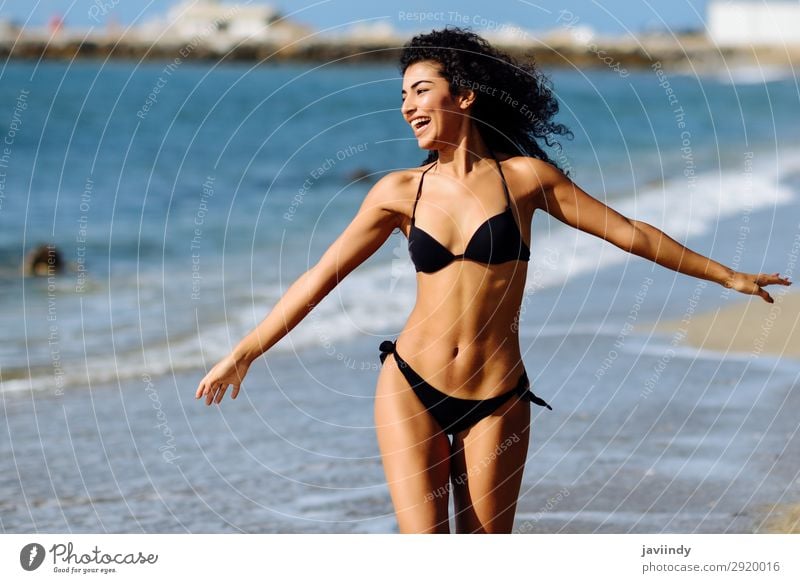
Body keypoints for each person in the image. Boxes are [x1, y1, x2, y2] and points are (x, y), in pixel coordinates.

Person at [195, 27, 792, 533]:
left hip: (498, 395)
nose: (407, 105)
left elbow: (629, 232)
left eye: (421, 90)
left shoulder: (526, 180)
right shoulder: (398, 193)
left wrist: (727, 275)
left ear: (466, 97)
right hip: (411, 384)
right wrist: (244, 352)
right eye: (402, 94)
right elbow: (321, 276)